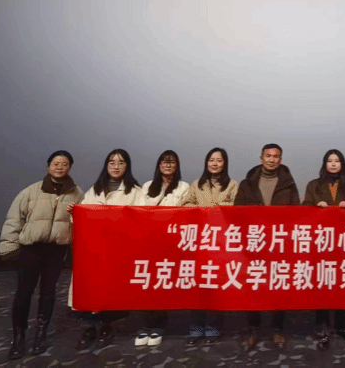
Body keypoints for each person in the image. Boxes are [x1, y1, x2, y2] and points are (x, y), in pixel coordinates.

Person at [0, 151, 84, 360]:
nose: (60, 167)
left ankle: (40, 335)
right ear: (48, 166)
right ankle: (18, 337)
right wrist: (9, 247)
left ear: (69, 167)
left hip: (56, 250)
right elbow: (14, 219)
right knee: (23, 293)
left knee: (48, 293)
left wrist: (75, 215)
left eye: (64, 164)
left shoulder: (77, 194)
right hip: (31, 249)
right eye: (56, 163)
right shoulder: (31, 191)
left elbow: (83, 221)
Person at [234, 143, 300, 351]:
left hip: (279, 243)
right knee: (253, 286)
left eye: (276, 156)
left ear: (280, 159)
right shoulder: (247, 183)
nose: (272, 160)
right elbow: (237, 212)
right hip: (253, 243)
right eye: (268, 156)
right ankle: (252, 330)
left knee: (278, 286)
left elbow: (296, 212)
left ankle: (277, 330)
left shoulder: (288, 183)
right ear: (261, 158)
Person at [74, 149, 141, 350]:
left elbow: (140, 218)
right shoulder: (94, 190)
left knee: (112, 287)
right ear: (106, 165)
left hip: (118, 247)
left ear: (127, 166)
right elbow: (82, 216)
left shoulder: (135, 191)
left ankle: (107, 326)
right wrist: (74, 213)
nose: (116, 166)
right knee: (91, 286)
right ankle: (90, 327)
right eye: (112, 162)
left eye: (121, 163)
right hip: (94, 247)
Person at [303, 149, 345, 350]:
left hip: (343, 242)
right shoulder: (313, 185)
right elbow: (304, 208)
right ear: (324, 164)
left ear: (342, 164)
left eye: (337, 161)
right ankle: (323, 327)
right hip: (321, 242)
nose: (333, 164)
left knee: (342, 284)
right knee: (322, 284)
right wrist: (315, 207)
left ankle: (344, 327)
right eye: (330, 161)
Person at [183, 147, 239, 346]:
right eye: (211, 160)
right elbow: (185, 205)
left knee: (217, 284)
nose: (215, 164)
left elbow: (238, 208)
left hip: (222, 241)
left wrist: (217, 210)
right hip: (201, 240)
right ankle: (196, 326)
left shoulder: (232, 184)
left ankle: (214, 325)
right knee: (198, 284)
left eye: (219, 160)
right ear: (206, 163)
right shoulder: (196, 184)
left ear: (225, 164)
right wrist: (203, 210)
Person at [135, 150, 190, 347]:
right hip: (148, 241)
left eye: (172, 162)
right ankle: (146, 325)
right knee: (146, 284)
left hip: (170, 242)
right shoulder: (147, 186)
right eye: (164, 162)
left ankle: (159, 326)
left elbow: (185, 213)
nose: (168, 165)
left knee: (162, 282)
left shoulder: (184, 187)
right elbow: (139, 211)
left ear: (177, 166)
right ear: (159, 165)